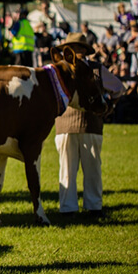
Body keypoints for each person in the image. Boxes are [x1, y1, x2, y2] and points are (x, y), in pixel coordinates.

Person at [54, 33, 124, 218]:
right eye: (71, 48)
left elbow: (118, 88)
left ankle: (84, 207)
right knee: (72, 168)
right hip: (69, 125)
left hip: (86, 124)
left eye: (77, 48)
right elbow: (118, 89)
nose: (74, 52)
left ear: (84, 50)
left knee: (86, 168)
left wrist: (109, 107)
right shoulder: (62, 69)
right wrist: (109, 106)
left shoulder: (90, 69)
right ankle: (80, 207)